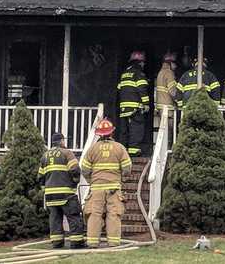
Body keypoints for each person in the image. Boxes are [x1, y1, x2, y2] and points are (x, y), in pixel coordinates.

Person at [80, 119, 132, 248]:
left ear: (99, 134)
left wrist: (91, 181)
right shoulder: (119, 148)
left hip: (96, 189)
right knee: (113, 214)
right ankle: (113, 243)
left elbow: (85, 169)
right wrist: (121, 179)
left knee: (94, 214)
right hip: (114, 188)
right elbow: (127, 168)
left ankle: (92, 243)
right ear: (111, 133)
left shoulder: (92, 149)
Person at [38, 132, 85, 249]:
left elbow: (40, 177)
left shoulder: (45, 156)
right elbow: (75, 169)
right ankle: (76, 242)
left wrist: (46, 190)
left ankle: (57, 243)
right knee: (73, 216)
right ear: (61, 141)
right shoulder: (67, 153)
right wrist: (75, 183)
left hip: (50, 195)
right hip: (66, 194)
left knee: (55, 219)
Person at [117, 51, 149, 156]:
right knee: (137, 128)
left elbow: (119, 88)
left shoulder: (124, 74)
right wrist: (146, 104)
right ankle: (134, 151)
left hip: (123, 107)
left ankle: (123, 151)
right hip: (135, 107)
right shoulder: (139, 73)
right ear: (139, 62)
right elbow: (142, 89)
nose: (144, 65)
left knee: (124, 129)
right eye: (143, 62)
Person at [154, 52, 178, 132]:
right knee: (169, 132)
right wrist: (179, 99)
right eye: (174, 63)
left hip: (161, 106)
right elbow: (173, 91)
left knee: (163, 131)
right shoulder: (169, 73)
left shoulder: (160, 72)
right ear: (170, 63)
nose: (176, 66)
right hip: (168, 107)